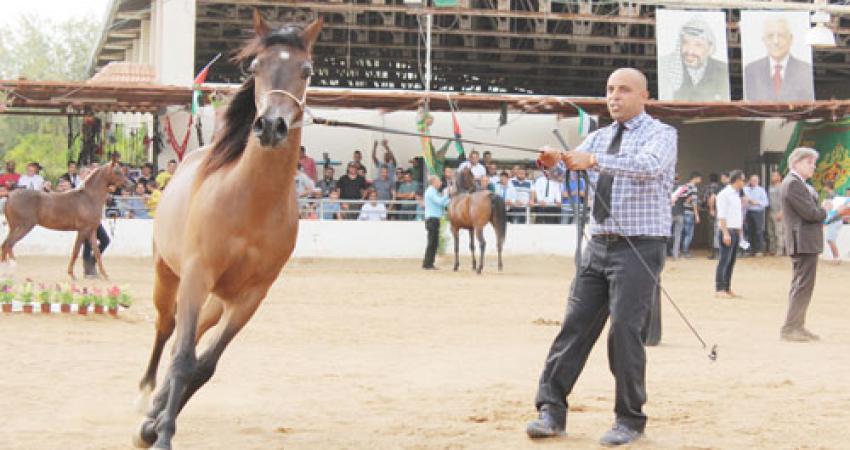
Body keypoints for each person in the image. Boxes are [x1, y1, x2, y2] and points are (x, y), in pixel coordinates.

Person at [528, 68, 676, 446]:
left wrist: (592, 161)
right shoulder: (598, 136)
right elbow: (569, 173)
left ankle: (630, 419)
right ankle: (551, 409)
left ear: (644, 95)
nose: (614, 96)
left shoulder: (661, 134)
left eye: (624, 90)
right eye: (610, 90)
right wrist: (553, 162)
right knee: (574, 327)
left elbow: (647, 167)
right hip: (597, 244)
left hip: (639, 245)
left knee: (625, 332)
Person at [779, 148, 846, 342]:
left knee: (802, 284)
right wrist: (826, 210)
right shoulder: (793, 184)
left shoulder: (796, 183)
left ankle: (796, 325)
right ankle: (791, 327)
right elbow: (810, 214)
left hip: (803, 240)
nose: (813, 167)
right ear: (797, 163)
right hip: (803, 240)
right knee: (803, 285)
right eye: (810, 163)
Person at [659, 16, 730, 101]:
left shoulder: (722, 70)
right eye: (685, 42)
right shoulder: (666, 67)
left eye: (698, 45)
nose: (690, 51)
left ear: (710, 48)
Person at [744, 16, 814, 101]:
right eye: (770, 36)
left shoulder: (805, 70)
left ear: (791, 39)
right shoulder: (751, 70)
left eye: (781, 35)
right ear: (763, 40)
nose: (776, 41)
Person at [715, 170, 745, 298]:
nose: (744, 182)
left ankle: (727, 287)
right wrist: (725, 233)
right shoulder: (724, 194)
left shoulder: (736, 195)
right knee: (724, 260)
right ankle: (719, 287)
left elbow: (737, 215)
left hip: (735, 230)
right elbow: (721, 215)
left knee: (731, 261)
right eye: (743, 180)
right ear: (737, 180)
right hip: (727, 230)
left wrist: (740, 233)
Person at [422, 175, 450, 270]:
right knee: (432, 242)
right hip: (432, 219)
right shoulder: (431, 191)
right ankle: (427, 264)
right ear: (434, 182)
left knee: (433, 242)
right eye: (439, 181)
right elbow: (440, 202)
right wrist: (448, 194)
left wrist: (450, 199)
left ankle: (429, 263)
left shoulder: (433, 191)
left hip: (434, 219)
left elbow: (442, 203)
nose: (440, 183)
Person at [743, 174, 769, 256]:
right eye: (752, 180)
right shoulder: (745, 189)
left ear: (758, 181)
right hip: (748, 212)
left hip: (758, 212)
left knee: (758, 231)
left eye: (755, 180)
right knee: (748, 231)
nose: (753, 182)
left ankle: (759, 250)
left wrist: (756, 202)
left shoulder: (761, 190)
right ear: (749, 181)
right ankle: (749, 250)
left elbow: (766, 203)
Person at [680, 172, 702, 258]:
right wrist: (697, 215)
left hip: (683, 211)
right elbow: (694, 202)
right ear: (695, 178)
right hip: (690, 212)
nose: (700, 180)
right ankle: (685, 252)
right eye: (700, 178)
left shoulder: (684, 186)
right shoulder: (693, 188)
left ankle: (680, 250)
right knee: (689, 234)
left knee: (683, 233)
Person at [822, 181, 843, 264]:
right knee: (830, 239)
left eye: (824, 186)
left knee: (830, 239)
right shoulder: (836, 194)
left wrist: (826, 221)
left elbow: (830, 209)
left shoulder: (830, 195)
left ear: (827, 187)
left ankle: (837, 257)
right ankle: (836, 257)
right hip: (837, 219)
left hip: (834, 220)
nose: (824, 188)